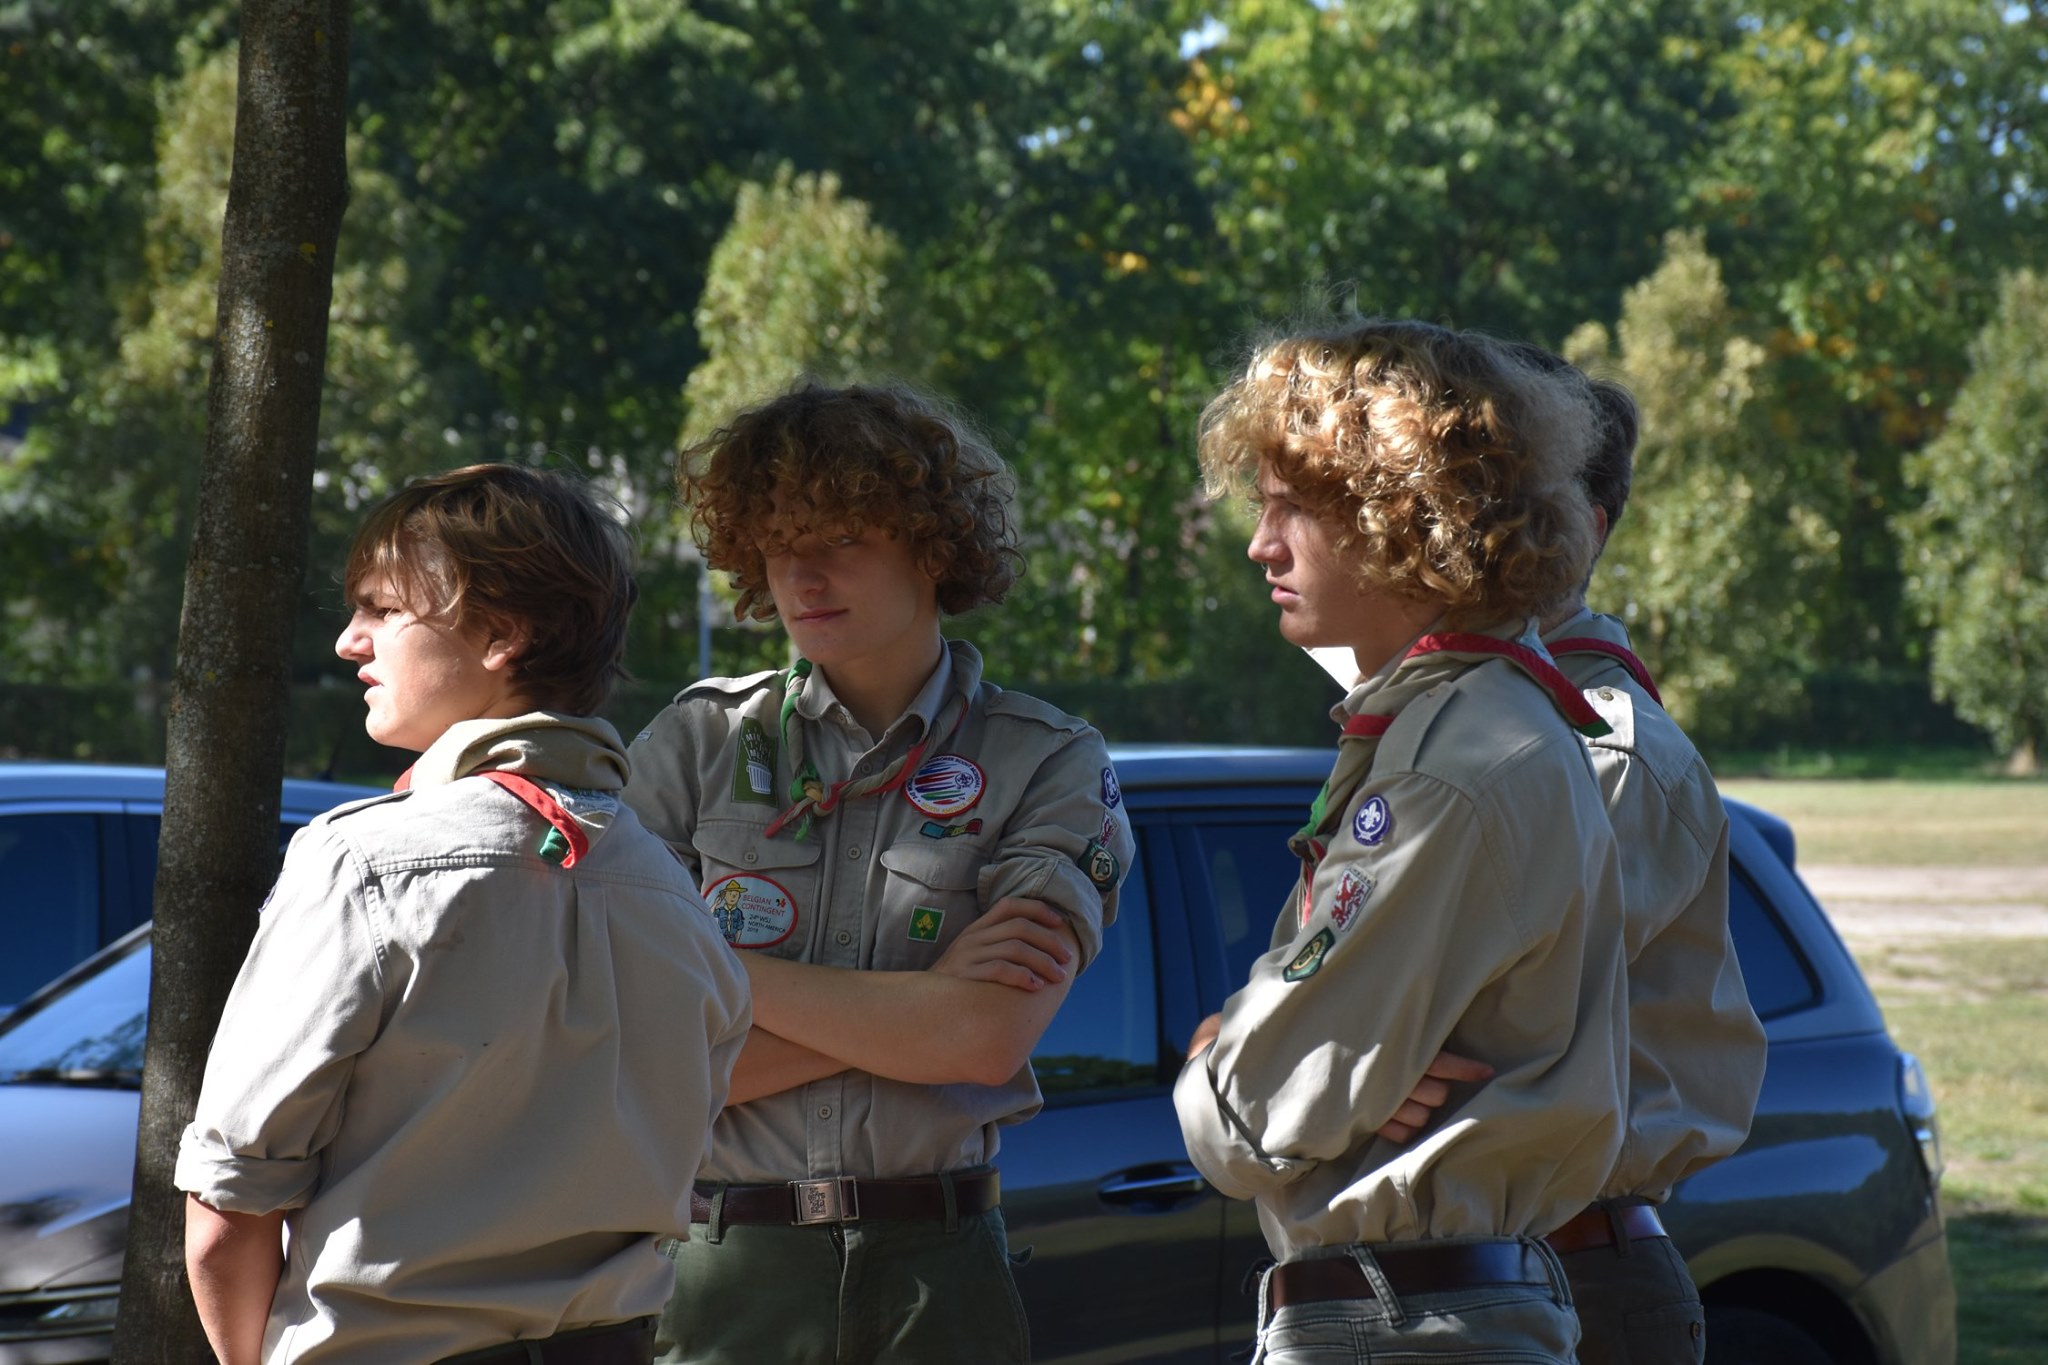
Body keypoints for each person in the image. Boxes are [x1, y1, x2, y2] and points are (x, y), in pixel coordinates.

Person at [177, 463, 751, 1365]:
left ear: (503, 634)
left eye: (383, 608)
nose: (349, 641)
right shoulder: (674, 890)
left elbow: (227, 1208)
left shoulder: (360, 864)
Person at [622, 379, 1134, 1365]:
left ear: (933, 545)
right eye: (778, 544)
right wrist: (919, 1011)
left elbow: (983, 1038)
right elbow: (641, 1060)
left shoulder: (1048, 760)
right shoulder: (696, 744)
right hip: (722, 1269)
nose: (802, 574)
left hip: (936, 1274)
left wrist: (718, 979)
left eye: (842, 537)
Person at [1173, 318, 1631, 1364]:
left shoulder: (1450, 760)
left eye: (1290, 507)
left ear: (1403, 513)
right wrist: (1298, 1052)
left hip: (1400, 1324)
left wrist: (1216, 1054)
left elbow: (1251, 1119)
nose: (1260, 545)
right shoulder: (1479, 720)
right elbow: (1304, 1066)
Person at [1534, 376, 1766, 1364]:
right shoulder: (1484, 723)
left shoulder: (1604, 747)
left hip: (1574, 1275)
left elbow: (1482, 1016)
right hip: (1515, 1266)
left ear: (1579, 532)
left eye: (1492, 498)